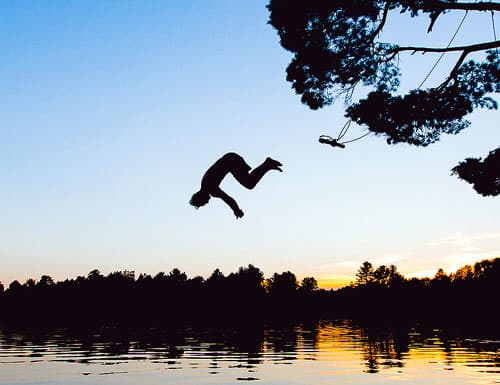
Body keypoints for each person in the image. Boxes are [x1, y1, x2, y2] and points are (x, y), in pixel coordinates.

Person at [190, 152, 283, 218]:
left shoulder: (210, 188)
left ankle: (267, 164)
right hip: (230, 159)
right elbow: (228, 200)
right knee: (249, 182)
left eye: (203, 203)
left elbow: (229, 200)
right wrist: (236, 210)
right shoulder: (205, 184)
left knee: (249, 183)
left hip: (231, 161)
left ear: (201, 198)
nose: (207, 202)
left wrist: (236, 210)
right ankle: (267, 164)